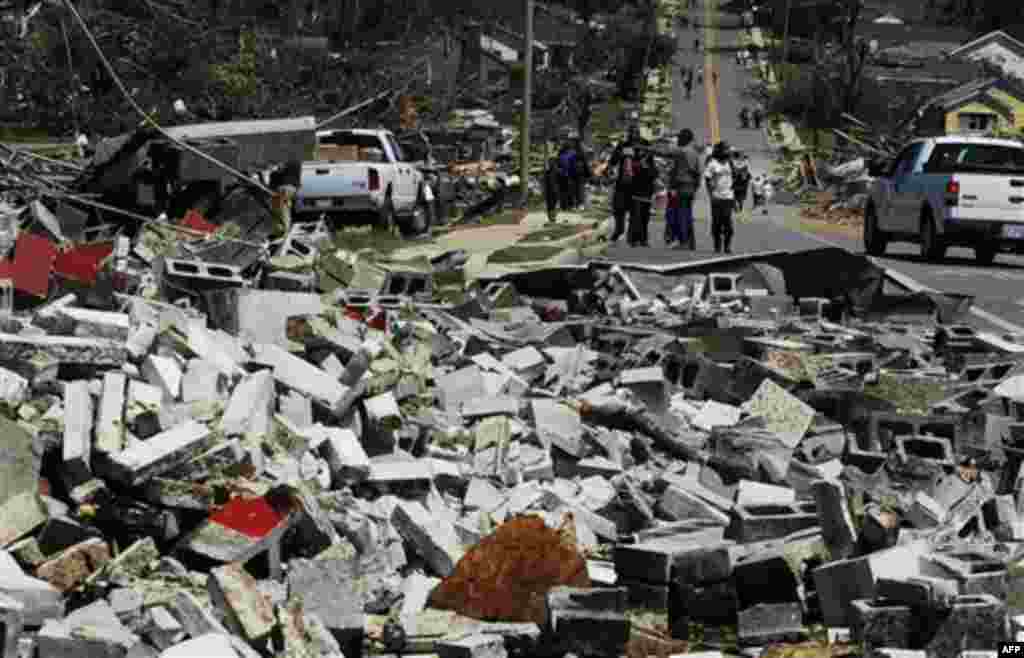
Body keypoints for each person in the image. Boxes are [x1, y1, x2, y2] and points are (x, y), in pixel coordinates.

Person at [660, 128, 703, 250]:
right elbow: (699, 172)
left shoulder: (682, 151)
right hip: (691, 187)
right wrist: (695, 187)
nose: (678, 139)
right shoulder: (694, 153)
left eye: (680, 137)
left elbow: (664, 153)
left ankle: (683, 242)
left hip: (681, 186)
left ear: (684, 139)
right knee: (688, 215)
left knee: (681, 215)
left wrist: (644, 148)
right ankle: (691, 242)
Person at [607, 125, 647, 243]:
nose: (634, 135)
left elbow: (649, 163)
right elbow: (613, 161)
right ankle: (619, 230)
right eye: (632, 133)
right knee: (618, 208)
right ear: (629, 134)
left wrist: (641, 159)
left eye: (636, 133)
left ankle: (633, 237)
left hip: (638, 184)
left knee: (636, 211)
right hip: (622, 183)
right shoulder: (623, 145)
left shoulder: (644, 145)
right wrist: (608, 170)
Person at [704, 142, 735, 254]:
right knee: (716, 222)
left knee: (727, 222)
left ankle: (727, 246)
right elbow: (707, 179)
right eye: (725, 149)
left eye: (728, 150)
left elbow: (735, 177)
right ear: (720, 151)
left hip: (729, 197)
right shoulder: (712, 164)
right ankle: (717, 246)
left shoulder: (730, 163)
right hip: (716, 197)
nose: (728, 152)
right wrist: (710, 194)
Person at [628, 144, 657, 247]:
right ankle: (633, 239)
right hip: (636, 194)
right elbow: (632, 173)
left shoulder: (650, 162)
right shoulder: (634, 161)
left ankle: (643, 240)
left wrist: (647, 167)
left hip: (647, 194)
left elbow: (654, 174)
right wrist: (641, 165)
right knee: (636, 218)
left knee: (645, 218)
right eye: (642, 151)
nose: (645, 153)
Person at [557, 141, 577, 210]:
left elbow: (573, 165)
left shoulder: (570, 154)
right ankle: (566, 205)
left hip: (567, 174)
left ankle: (567, 205)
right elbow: (558, 164)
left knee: (566, 190)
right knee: (566, 190)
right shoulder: (569, 154)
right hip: (565, 174)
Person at [573, 137, 590, 210]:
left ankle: (576, 204)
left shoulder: (573, 150)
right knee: (580, 188)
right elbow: (585, 162)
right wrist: (588, 172)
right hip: (581, 172)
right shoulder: (582, 151)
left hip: (573, 171)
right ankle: (580, 204)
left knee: (576, 188)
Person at [544, 155, 561, 223]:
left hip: (555, 191)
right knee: (550, 206)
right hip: (550, 191)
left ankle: (553, 218)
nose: (550, 164)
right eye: (550, 162)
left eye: (552, 162)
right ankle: (551, 219)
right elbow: (545, 183)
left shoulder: (558, 172)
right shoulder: (547, 172)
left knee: (553, 206)